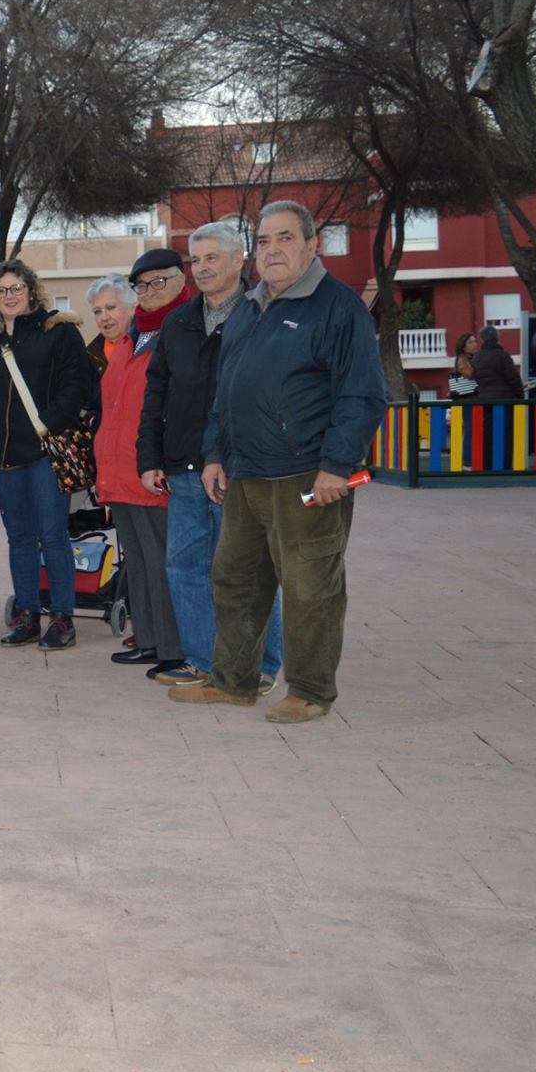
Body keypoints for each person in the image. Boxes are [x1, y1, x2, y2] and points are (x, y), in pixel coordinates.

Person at [175, 201, 385, 722]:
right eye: (264, 241)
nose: (273, 250)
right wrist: (214, 453)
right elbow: (226, 391)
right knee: (236, 582)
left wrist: (338, 464)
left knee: (311, 588)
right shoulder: (248, 307)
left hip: (307, 477)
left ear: (313, 245)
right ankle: (235, 682)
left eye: (286, 238)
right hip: (245, 474)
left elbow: (362, 394)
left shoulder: (339, 308)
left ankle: (311, 691)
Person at [137, 220, 283, 694]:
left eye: (211, 258)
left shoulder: (263, 316)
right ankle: (202, 660)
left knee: (245, 569)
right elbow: (156, 393)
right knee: (184, 566)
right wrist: (149, 456)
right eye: (194, 260)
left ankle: (261, 663)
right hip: (182, 469)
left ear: (239, 259)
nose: (200, 268)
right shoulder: (177, 324)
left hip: (242, 467)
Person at [0, 258, 97, 651]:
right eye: (1, 290)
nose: (9, 296)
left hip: (46, 452)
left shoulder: (57, 332)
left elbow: (76, 386)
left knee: (53, 536)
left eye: (16, 288)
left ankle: (62, 617)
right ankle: (27, 614)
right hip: (3, 455)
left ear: (30, 290)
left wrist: (45, 424)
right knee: (19, 538)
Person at [90, 258, 189, 681]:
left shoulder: (175, 334)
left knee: (164, 564)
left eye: (112, 306)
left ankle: (174, 649)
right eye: (97, 310)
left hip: (152, 475)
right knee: (141, 565)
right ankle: (148, 641)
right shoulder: (130, 344)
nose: (105, 317)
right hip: (120, 477)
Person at [471, 324, 525, 399]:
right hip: (504, 400)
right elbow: (513, 378)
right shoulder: (503, 355)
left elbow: (474, 379)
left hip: (484, 401)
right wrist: (520, 394)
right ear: (497, 338)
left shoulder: (476, 358)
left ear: (482, 339)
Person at [449, 331, 481, 400]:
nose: (474, 344)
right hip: (465, 400)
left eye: (475, 341)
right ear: (463, 347)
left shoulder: (470, 358)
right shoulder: (462, 359)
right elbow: (469, 375)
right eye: (470, 342)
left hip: (471, 399)